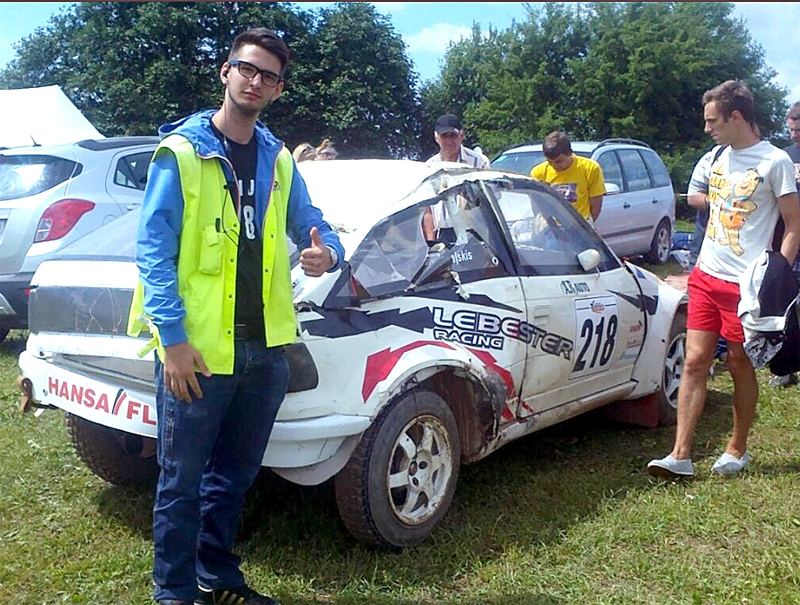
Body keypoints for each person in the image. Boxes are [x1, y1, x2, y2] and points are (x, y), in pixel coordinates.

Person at [126, 28, 344, 605]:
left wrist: (328, 252)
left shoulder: (277, 159)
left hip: (266, 350)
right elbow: (153, 250)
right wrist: (171, 339)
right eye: (247, 69)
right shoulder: (182, 152)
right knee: (180, 482)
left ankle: (215, 574)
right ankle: (174, 592)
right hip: (197, 350)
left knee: (234, 478)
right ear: (226, 72)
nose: (256, 81)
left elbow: (312, 222)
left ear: (276, 89)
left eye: (269, 76)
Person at [647, 80, 800, 479]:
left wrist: (774, 282)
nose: (707, 128)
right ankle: (680, 455)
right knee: (695, 360)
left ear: (736, 117)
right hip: (706, 276)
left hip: (744, 285)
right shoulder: (716, 156)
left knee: (737, 362)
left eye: (713, 120)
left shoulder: (774, 162)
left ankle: (737, 448)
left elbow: (794, 225)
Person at [769, 100, 800, 387]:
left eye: (798, 129)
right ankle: (787, 367)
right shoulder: (784, 157)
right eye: (790, 129)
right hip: (789, 241)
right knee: (787, 306)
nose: (794, 135)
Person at [530, 131, 605, 224]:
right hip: (549, 225)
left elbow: (596, 203)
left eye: (559, 161)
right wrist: (551, 225)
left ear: (569, 153)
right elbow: (537, 204)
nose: (554, 166)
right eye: (550, 162)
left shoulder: (590, 168)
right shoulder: (538, 173)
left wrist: (585, 226)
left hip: (580, 224)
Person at [426, 113, 490, 168]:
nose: (449, 140)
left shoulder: (480, 162)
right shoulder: (429, 167)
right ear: (436, 138)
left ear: (462, 135)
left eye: (453, 135)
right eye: (444, 136)